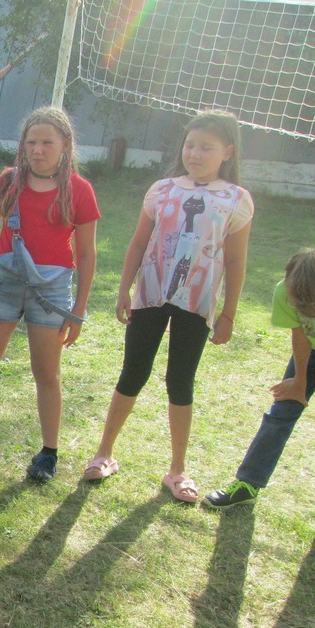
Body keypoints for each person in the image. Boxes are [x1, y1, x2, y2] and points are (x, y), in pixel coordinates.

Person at [83, 110, 253, 503]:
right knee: (133, 372)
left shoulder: (236, 200)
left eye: (206, 147)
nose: (195, 153)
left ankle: (177, 470)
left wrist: (228, 313)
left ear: (227, 152)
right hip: (150, 295)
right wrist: (124, 289)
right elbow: (139, 243)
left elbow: (235, 261)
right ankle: (104, 453)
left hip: (197, 303)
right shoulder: (161, 190)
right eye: (190, 145)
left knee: (180, 380)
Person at [0, 106, 99, 482]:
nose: (38, 150)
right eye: (31, 142)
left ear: (65, 145)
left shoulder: (79, 190)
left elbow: (88, 254)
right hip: (4, 284)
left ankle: (48, 453)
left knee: (47, 373)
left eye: (47, 143)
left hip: (51, 291)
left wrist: (78, 310)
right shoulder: (10, 181)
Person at [203, 248, 315, 509]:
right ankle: (248, 484)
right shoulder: (285, 290)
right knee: (282, 411)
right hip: (310, 351)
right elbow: (300, 334)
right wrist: (299, 381)